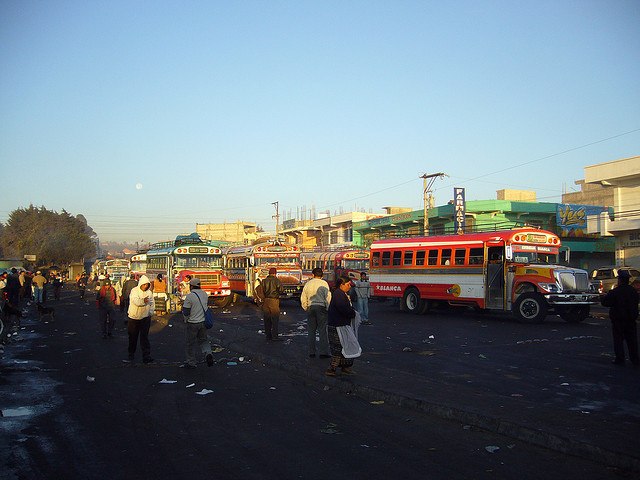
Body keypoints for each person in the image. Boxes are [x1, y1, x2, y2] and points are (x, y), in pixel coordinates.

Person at [601, 269, 639, 366]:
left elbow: (606, 303)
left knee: (618, 340)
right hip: (631, 319)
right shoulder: (633, 291)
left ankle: (620, 359)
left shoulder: (615, 292)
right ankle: (634, 359)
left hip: (618, 320)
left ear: (620, 280)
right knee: (632, 340)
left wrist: (603, 297)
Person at [326, 275, 357, 376]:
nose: (349, 286)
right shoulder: (339, 294)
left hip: (340, 324)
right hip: (337, 325)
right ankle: (331, 369)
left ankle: (345, 367)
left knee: (344, 346)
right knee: (338, 348)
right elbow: (343, 308)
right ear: (341, 284)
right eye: (348, 284)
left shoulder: (341, 293)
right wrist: (352, 313)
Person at [181, 277, 214, 369]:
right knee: (203, 340)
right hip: (203, 322)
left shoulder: (190, 296)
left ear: (191, 286)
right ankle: (208, 353)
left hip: (192, 323)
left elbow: (186, 311)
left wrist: (185, 319)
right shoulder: (204, 294)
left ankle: (191, 362)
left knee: (190, 343)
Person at [300, 267, 331, 358]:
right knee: (322, 331)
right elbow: (328, 297)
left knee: (311, 331)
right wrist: (327, 308)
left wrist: (306, 307)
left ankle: (311, 352)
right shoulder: (324, 284)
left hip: (311, 307)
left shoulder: (308, 284)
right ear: (322, 275)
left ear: (313, 275)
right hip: (321, 307)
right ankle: (323, 352)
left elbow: (303, 297)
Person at [125, 275, 155, 364]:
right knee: (133, 337)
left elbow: (152, 303)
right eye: (144, 284)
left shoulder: (149, 293)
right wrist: (143, 301)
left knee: (144, 338)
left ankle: (146, 356)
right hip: (134, 317)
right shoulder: (134, 291)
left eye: (147, 285)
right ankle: (131, 353)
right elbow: (136, 301)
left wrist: (150, 313)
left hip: (145, 318)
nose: (145, 286)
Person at [260, 268, 284, 341]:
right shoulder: (277, 281)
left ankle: (268, 336)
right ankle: (275, 336)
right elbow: (281, 290)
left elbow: (261, 291)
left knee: (267, 319)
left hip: (266, 300)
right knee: (275, 319)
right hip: (274, 300)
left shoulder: (264, 281)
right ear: (275, 273)